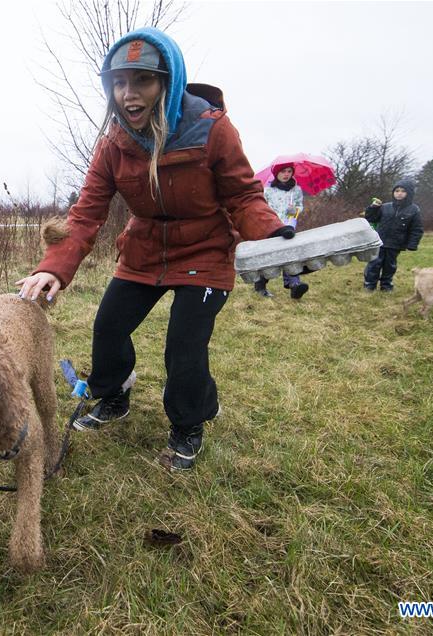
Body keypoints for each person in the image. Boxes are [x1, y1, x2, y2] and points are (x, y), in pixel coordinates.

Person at [16, 27, 293, 471]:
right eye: (119, 83)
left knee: (183, 346)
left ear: (168, 81)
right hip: (145, 250)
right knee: (108, 327)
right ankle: (114, 396)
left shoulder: (213, 130)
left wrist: (270, 233)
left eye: (141, 81)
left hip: (205, 248)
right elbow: (86, 214)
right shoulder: (113, 144)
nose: (129, 94)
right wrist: (53, 267)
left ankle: (189, 424)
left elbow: (243, 197)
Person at [253, 164, 310, 299]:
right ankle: (261, 285)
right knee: (269, 257)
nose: (286, 174)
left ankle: (294, 285)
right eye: (283, 171)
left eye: (289, 171)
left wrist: (295, 210)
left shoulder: (296, 190)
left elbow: (299, 206)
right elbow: (260, 207)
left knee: (290, 254)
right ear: (276, 173)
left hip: (288, 227)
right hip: (271, 227)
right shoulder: (267, 191)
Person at [363, 178, 424, 292]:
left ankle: (386, 286)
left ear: (409, 193)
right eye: (397, 191)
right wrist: (373, 207)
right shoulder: (385, 207)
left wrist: (412, 244)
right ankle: (369, 285)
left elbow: (417, 229)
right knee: (374, 263)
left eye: (403, 191)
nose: (399, 193)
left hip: (396, 243)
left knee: (389, 266)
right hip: (379, 241)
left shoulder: (413, 210)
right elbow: (371, 218)